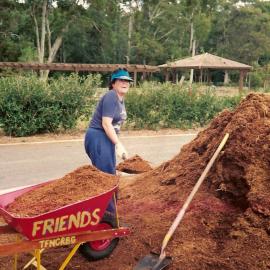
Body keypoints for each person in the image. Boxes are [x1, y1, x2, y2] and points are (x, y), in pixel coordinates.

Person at [84, 68, 133, 176]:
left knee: (110, 173)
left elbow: (115, 126)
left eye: (127, 81)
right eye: (121, 80)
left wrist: (115, 144)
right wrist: (118, 144)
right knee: (106, 176)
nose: (125, 83)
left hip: (107, 139)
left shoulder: (120, 100)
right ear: (113, 83)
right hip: (98, 137)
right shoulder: (111, 96)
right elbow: (106, 123)